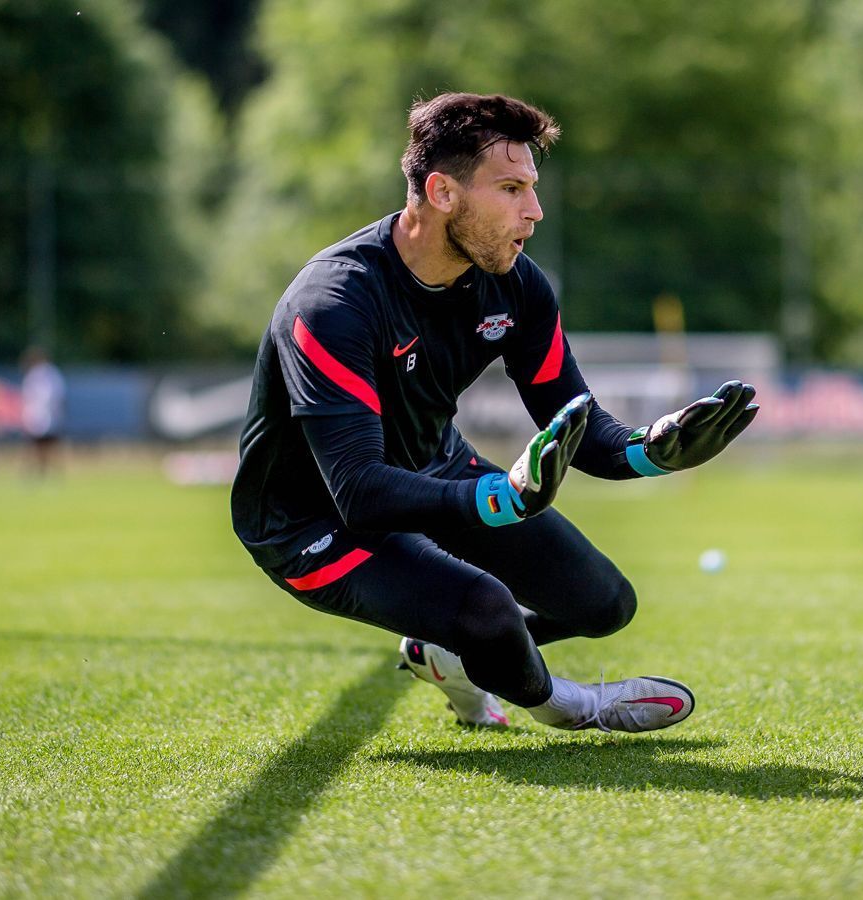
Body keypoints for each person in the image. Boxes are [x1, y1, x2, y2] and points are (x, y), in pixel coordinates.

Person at [231, 92, 759, 733]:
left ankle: (453, 654)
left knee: (605, 604)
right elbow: (361, 494)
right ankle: (574, 706)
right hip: (309, 522)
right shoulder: (333, 302)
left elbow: (579, 423)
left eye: (532, 187)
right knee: (488, 610)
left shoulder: (518, 285)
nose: (533, 211)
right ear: (442, 192)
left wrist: (652, 450)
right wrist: (500, 497)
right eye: (511, 188)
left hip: (432, 469)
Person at [19, 347, 66, 477]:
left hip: (47, 416)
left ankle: (48, 473)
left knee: (47, 447)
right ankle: (35, 473)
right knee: (36, 447)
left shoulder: (50, 374)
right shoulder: (35, 375)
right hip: (36, 416)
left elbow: (57, 396)